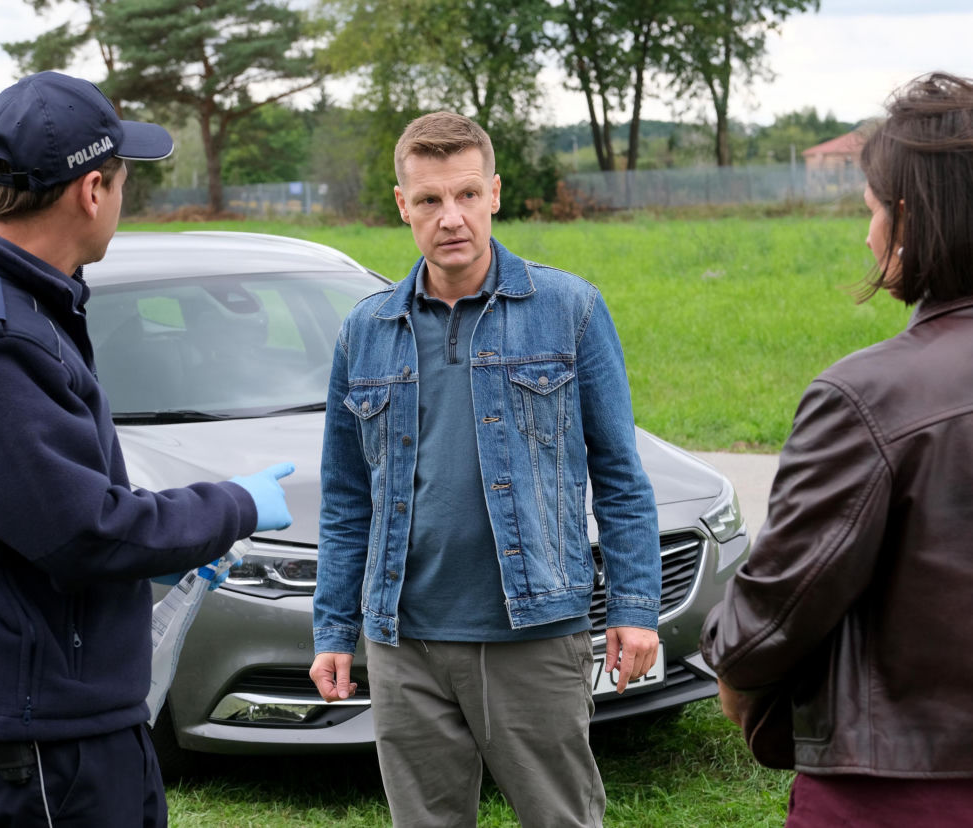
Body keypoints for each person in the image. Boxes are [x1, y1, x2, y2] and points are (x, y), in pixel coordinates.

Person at [310, 111, 661, 827]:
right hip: (404, 641)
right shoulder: (365, 331)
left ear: (495, 193)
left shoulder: (569, 310)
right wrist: (332, 628)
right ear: (403, 206)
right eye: (432, 200)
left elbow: (621, 476)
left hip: (533, 634)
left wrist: (634, 608)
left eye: (467, 195)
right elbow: (348, 500)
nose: (452, 218)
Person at [0, 71, 295, 827]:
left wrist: (167, 543)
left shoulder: (25, 303)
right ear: (93, 189)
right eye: (124, 182)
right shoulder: (3, 341)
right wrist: (232, 505)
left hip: (54, 713)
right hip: (45, 742)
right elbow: (79, 529)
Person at [700, 72, 973, 826]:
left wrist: (731, 658)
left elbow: (776, 608)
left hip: (895, 792)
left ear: (910, 219)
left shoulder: (869, 397)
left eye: (872, 210)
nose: (867, 234)